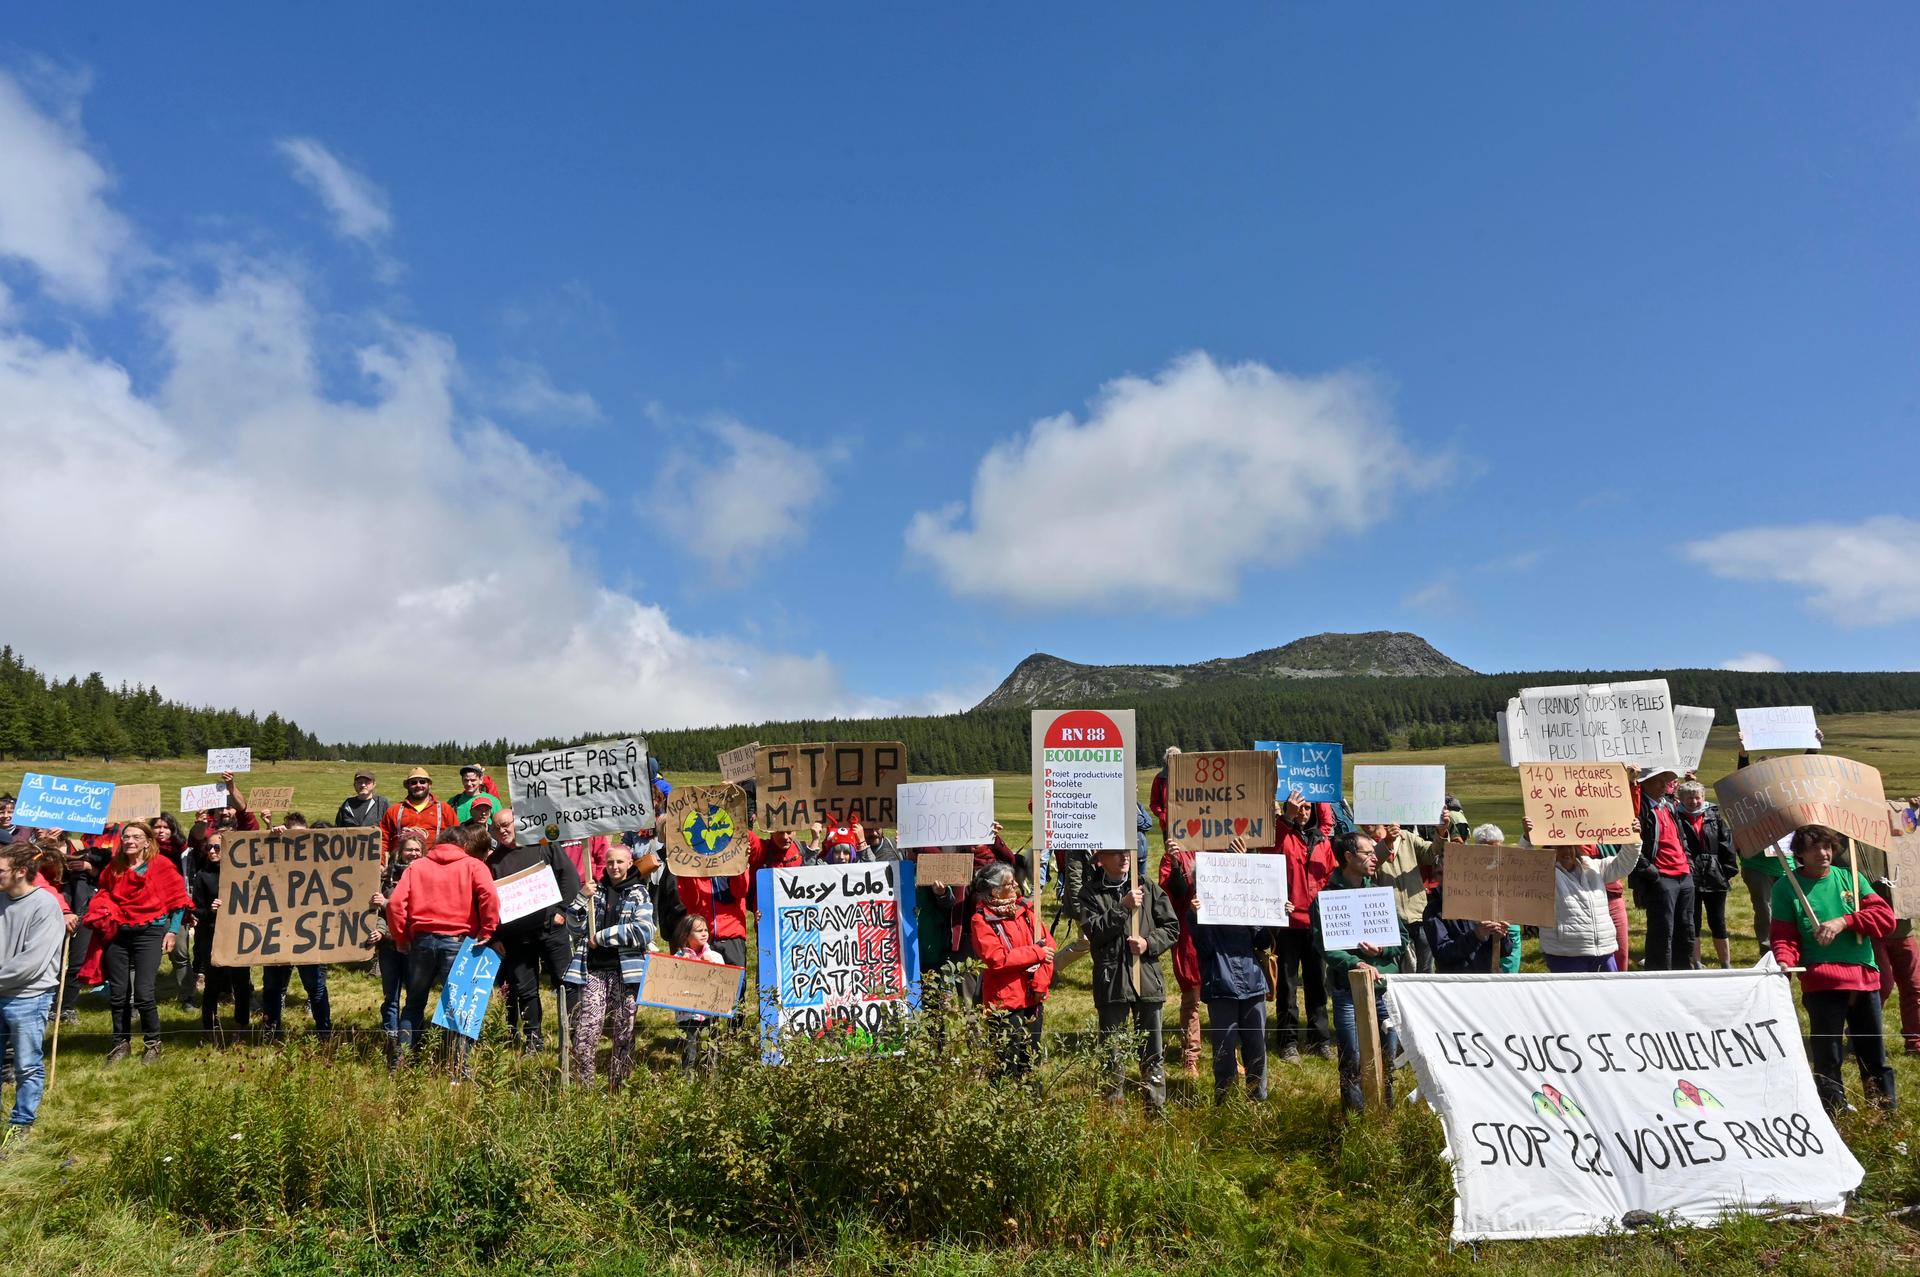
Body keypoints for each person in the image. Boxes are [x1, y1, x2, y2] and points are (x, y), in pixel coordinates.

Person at [1770, 824, 1897, 1112]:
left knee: (1873, 1054)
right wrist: (1783, 964)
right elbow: (1784, 937)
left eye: (1827, 847)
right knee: (1828, 1056)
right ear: (1799, 853)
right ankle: (1834, 1112)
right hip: (1822, 982)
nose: (1824, 853)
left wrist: (1845, 921)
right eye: (1815, 848)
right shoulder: (1785, 887)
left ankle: (1883, 1112)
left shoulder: (1850, 879)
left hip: (1864, 979)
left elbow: (1884, 918)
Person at [386, 823, 500, 1066]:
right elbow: (490, 897)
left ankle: (402, 1059)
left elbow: (395, 904)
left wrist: (401, 938)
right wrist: (487, 930)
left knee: (414, 1003)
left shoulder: (417, 867)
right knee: (460, 1006)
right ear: (465, 845)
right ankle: (459, 1066)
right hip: (458, 944)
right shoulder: (474, 866)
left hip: (422, 942)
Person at [81, 822, 190, 1064]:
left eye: (136, 837)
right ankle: (120, 1043)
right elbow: (104, 893)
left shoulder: (161, 866)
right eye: (126, 836)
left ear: (147, 842)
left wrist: (172, 932)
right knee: (118, 994)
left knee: (143, 993)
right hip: (118, 933)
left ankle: (153, 1043)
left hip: (150, 933)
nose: (129, 841)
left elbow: (179, 902)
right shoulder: (114, 868)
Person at [1080, 846, 1179, 1113]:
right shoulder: (1090, 892)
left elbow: (1171, 927)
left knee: (1152, 1050)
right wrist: (1123, 907)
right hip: (1112, 981)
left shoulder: (1146, 886)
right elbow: (1095, 931)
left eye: (1127, 853)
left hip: (1146, 979)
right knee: (1113, 1052)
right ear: (1100, 859)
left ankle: (1155, 1109)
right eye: (1116, 853)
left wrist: (1149, 943)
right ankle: (1114, 1112)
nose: (1124, 858)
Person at [1314, 831, 1407, 1112]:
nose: (1374, 857)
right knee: (1352, 1056)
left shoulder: (1379, 894)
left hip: (1383, 991)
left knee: (1388, 1055)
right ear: (1349, 857)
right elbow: (1325, 946)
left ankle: (1384, 1113)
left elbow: (1402, 938)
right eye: (1367, 853)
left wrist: (1382, 952)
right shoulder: (1327, 898)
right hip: (1348, 992)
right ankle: (1354, 1119)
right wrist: (1355, 963)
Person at [486, 806, 581, 1053]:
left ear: (517, 823)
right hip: (516, 937)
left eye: (506, 824)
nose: (502, 830)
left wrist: (561, 910)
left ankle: (576, 1033)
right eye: (497, 828)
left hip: (551, 929)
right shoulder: (493, 862)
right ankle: (533, 1039)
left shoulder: (542, 844)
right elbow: (489, 902)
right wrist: (495, 936)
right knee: (525, 988)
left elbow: (569, 877)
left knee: (566, 981)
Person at [1185, 836, 1270, 1104]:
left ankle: (1258, 1101)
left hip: (1253, 984)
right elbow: (1205, 947)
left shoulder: (1245, 904)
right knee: (1224, 1050)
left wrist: (1274, 916)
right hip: (1221, 986)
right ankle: (1225, 1104)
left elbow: (1263, 941)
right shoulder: (1200, 913)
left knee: (1257, 1049)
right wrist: (1196, 917)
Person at [564, 842, 654, 1088]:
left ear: (629, 864)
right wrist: (582, 898)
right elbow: (573, 927)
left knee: (624, 1030)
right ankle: (585, 1087)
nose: (614, 867)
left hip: (626, 972)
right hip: (594, 969)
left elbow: (644, 931)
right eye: (610, 862)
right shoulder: (596, 891)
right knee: (587, 1030)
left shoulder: (639, 893)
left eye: (620, 862)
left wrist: (602, 937)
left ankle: (619, 1085)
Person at [0, 844, 66, 1145]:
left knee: (26, 1063)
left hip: (28, 996)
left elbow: (32, 963)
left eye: (1, 870)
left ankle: (21, 1123)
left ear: (21, 871)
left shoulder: (45, 905)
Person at [969, 861, 1055, 1078]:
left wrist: (1040, 984)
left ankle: (1031, 1107)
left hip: (1033, 997)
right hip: (1004, 1002)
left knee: (1030, 1062)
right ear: (995, 891)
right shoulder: (981, 920)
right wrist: (1036, 953)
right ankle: (1004, 1110)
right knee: (1005, 1064)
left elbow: (1049, 947)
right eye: (1010, 883)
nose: (1016, 885)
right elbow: (997, 959)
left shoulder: (1025, 911)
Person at [1523, 818, 1642, 972]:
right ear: (1550, 849)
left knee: (1607, 995)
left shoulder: (1593, 867)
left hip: (1603, 952)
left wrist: (1633, 838)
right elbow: (1524, 866)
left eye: (1570, 847)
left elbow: (1623, 864)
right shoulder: (1544, 874)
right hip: (1566, 955)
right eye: (1559, 848)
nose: (1566, 852)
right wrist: (1527, 838)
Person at [256, 814, 332, 1042]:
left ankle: (324, 1032)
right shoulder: (274, 852)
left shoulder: (316, 857)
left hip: (308, 933)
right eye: (292, 833)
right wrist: (271, 834)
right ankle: (271, 1030)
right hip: (276, 932)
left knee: (315, 987)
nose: (297, 838)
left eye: (302, 833)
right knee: (272, 987)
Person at [1272, 793, 1335, 1060]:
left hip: (1316, 923)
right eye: (1299, 807)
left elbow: (1331, 876)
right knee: (1286, 985)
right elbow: (1270, 854)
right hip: (1287, 922)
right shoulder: (1281, 836)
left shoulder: (1322, 841)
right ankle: (1288, 1041)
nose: (1303, 812)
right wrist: (1286, 817)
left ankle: (1320, 1038)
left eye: (1308, 807)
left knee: (1316, 982)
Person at [366, 827, 430, 1056]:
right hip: (390, 946)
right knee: (390, 996)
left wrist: (386, 903)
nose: (413, 854)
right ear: (400, 852)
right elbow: (382, 916)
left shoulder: (428, 877)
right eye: (408, 850)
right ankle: (391, 1039)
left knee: (415, 995)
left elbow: (413, 909)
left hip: (415, 945)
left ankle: (411, 1039)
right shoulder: (388, 877)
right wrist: (381, 931)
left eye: (417, 850)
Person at [185, 829, 252, 1038]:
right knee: (212, 984)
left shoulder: (243, 873)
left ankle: (241, 1025)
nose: (212, 851)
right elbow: (197, 909)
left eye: (217, 847)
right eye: (209, 847)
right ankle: (210, 1027)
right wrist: (210, 910)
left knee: (241, 983)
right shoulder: (204, 876)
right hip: (211, 936)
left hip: (239, 935)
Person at [1629, 767, 1695, 970]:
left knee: (1686, 929)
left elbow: (1680, 836)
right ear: (1644, 784)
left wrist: (1688, 862)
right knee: (1662, 931)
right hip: (1661, 877)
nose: (1663, 785)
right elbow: (1631, 843)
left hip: (1683, 874)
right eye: (1658, 781)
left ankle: (1683, 972)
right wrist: (1651, 871)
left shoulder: (1668, 806)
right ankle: (1660, 975)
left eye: (1665, 781)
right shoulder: (1639, 809)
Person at [1674, 781, 1739, 968]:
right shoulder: (1676, 817)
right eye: (1689, 798)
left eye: (1697, 797)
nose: (1694, 801)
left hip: (1715, 875)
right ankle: (1696, 962)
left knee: (1717, 920)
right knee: (1692, 921)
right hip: (1689, 875)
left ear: (1703, 797)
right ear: (1682, 799)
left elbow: (1726, 843)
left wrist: (1727, 870)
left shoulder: (1714, 816)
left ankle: (1725, 963)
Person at [1157, 831, 1204, 1077]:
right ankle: (1191, 1056)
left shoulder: (1220, 845)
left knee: (1224, 999)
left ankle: (1230, 1054)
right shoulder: (1174, 854)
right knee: (1192, 997)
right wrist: (1175, 863)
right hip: (1190, 933)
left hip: (1221, 932)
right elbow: (1170, 893)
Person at [1368, 817, 1439, 973]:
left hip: (1418, 914)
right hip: (1390, 920)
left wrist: (1441, 832)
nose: (1368, 823)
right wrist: (1386, 843)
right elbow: (1369, 866)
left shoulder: (1406, 837)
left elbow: (1431, 853)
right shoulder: (1362, 844)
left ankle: (1424, 998)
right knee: (1398, 971)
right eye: (1363, 819)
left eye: (1372, 817)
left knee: (1426, 970)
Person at [671, 915, 729, 1075]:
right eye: (698, 931)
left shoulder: (716, 957)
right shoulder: (678, 958)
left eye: (705, 930)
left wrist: (709, 965)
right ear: (686, 935)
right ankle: (687, 1082)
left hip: (711, 1013)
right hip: (688, 1014)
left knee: (712, 1048)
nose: (704, 933)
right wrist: (686, 965)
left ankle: (712, 1082)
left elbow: (724, 983)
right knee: (690, 1049)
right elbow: (671, 986)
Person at [379, 768, 458, 857]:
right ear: (408, 786)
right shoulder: (394, 810)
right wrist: (381, 863)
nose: (418, 785)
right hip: (401, 865)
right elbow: (382, 839)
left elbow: (456, 838)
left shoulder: (444, 809)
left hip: (435, 863)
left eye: (422, 782)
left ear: (429, 784)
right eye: (413, 782)